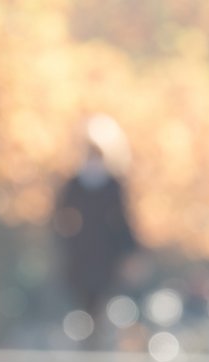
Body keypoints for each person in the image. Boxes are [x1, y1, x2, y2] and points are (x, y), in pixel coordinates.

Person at [52, 115, 141, 345]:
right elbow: (60, 216)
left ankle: (96, 341)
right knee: (83, 300)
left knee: (101, 300)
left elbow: (123, 221)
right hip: (81, 253)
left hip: (105, 254)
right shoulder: (74, 184)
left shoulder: (113, 185)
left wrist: (130, 251)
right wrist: (67, 240)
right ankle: (86, 341)